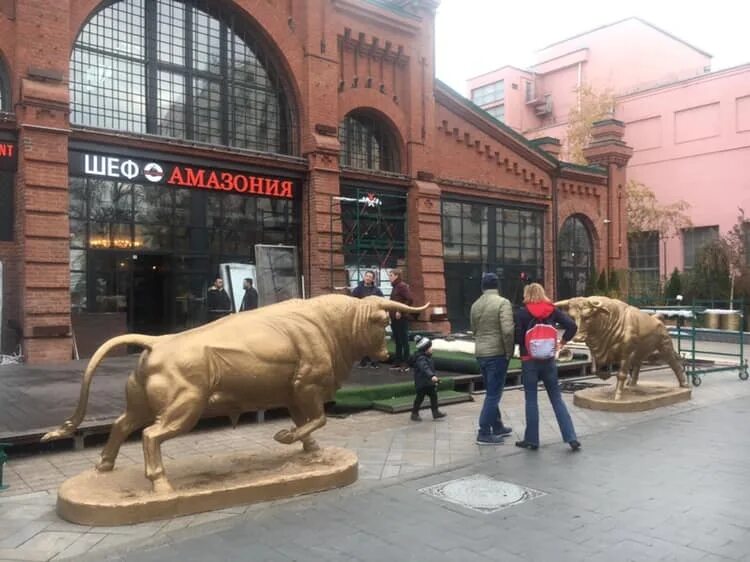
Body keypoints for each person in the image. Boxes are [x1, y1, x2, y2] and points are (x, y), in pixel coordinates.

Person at [514, 283, 581, 452]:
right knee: (556, 398)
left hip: (529, 360)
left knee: (531, 400)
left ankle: (532, 440)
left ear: (527, 295)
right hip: (549, 360)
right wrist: (562, 342)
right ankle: (571, 437)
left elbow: (518, 338)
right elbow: (572, 326)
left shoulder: (522, 313)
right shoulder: (552, 310)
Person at [470, 272, 514, 445]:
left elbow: (473, 329)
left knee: (491, 390)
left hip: (481, 352)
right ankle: (483, 431)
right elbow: (508, 331)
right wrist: (508, 351)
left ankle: (497, 426)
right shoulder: (503, 303)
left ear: (482, 286)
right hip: (497, 353)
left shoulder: (475, 305)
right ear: (497, 286)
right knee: (494, 394)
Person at [409, 336, 446, 421]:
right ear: (425, 349)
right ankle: (414, 413)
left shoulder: (427, 357)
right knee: (419, 398)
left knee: (434, 396)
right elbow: (424, 368)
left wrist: (432, 377)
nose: (431, 349)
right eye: (430, 347)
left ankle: (435, 412)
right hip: (422, 383)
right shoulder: (421, 358)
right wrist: (432, 376)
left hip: (428, 382)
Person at [352, 270, 384, 367]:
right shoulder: (357, 289)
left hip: (373, 319)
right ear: (364, 277)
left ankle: (374, 361)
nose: (368, 278)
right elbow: (352, 302)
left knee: (373, 340)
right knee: (362, 340)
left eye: (370, 276)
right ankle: (363, 360)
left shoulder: (377, 291)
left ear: (373, 279)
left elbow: (382, 302)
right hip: (362, 318)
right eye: (367, 276)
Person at [388, 269, 413, 372]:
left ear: (396, 276)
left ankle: (406, 363)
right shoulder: (395, 287)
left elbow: (410, 299)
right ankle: (397, 362)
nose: (389, 277)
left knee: (404, 341)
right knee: (397, 341)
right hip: (394, 319)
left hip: (401, 318)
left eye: (391, 275)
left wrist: (400, 311)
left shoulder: (402, 286)